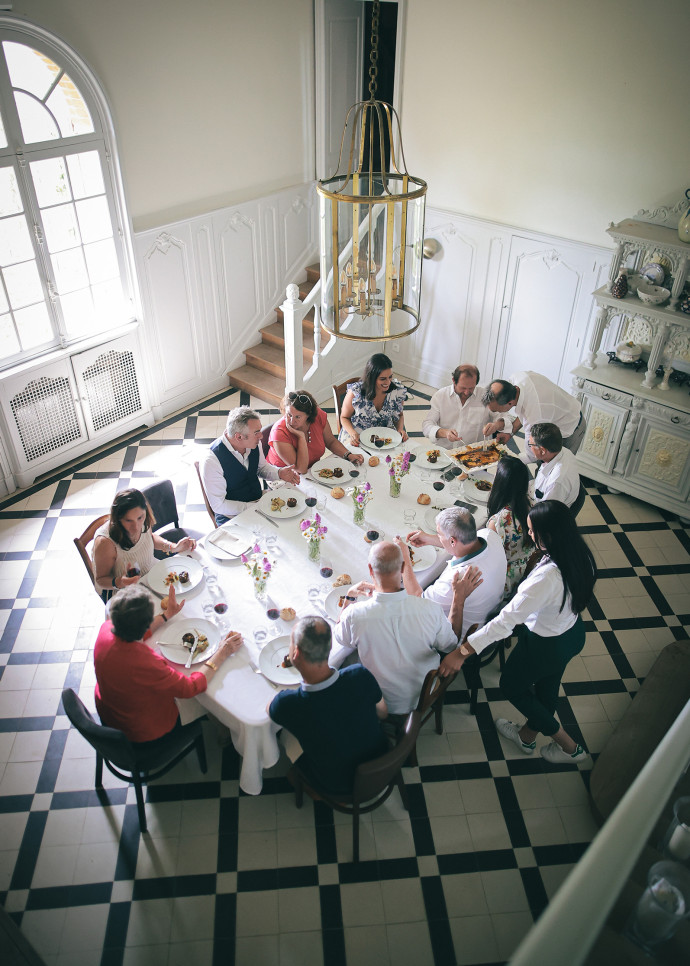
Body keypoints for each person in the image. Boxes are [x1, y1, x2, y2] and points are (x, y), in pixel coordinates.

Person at [440, 500, 597, 766]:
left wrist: (462, 652)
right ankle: (526, 737)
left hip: (545, 644)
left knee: (511, 686)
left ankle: (568, 746)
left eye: (533, 531)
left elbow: (505, 622)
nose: (529, 534)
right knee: (547, 691)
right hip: (572, 633)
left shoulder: (546, 579)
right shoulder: (580, 553)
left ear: (548, 535)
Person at [94, 584, 242, 745]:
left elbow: (135, 632)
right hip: (139, 729)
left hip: (110, 710)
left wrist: (166, 615)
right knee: (209, 693)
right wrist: (223, 651)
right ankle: (225, 731)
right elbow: (191, 687)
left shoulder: (107, 627)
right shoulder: (144, 662)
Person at [331, 542, 459, 714]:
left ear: (370, 570)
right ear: (403, 568)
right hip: (424, 692)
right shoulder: (430, 609)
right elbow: (450, 645)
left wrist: (350, 598)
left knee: (346, 661)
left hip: (379, 702)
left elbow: (340, 638)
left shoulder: (354, 615)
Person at [268, 616, 389, 795]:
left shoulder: (288, 704)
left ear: (296, 653)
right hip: (382, 764)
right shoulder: (360, 674)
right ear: (330, 647)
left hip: (337, 785)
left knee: (284, 735)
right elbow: (383, 713)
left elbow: (269, 710)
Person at [399, 507, 507, 641]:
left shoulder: (458, 577)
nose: (438, 537)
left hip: (460, 639)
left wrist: (405, 558)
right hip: (489, 618)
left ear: (452, 541)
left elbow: (417, 599)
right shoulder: (490, 535)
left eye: (439, 534)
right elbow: (461, 544)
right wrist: (430, 539)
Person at [201, 406, 300, 525]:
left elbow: (261, 468)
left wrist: (279, 473)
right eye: (256, 433)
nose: (261, 436)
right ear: (239, 437)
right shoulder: (211, 461)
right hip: (232, 516)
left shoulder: (254, 442)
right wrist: (253, 507)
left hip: (258, 501)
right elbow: (219, 505)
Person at [92, 488, 197, 595]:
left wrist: (173, 547)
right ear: (117, 519)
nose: (136, 527)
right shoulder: (105, 543)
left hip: (154, 574)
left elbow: (149, 538)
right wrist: (120, 582)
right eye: (128, 520)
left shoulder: (144, 520)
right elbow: (100, 580)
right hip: (126, 591)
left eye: (140, 518)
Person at [481, 371, 586, 460]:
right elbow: (524, 411)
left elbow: (531, 455)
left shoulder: (535, 416)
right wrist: (509, 432)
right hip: (553, 412)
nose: (497, 413)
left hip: (570, 428)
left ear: (510, 403)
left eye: (497, 410)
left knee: (549, 470)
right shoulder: (516, 379)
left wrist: (500, 459)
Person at [266, 389, 364, 474]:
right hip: (283, 475)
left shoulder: (318, 415)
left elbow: (331, 442)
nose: (291, 421)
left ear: (308, 415)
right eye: (289, 415)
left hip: (312, 469)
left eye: (297, 417)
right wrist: (301, 437)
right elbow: (301, 469)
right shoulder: (279, 433)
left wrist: (348, 455)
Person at [485, 455, 534, 600]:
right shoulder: (530, 505)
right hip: (522, 572)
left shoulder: (498, 522)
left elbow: (486, 558)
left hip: (502, 582)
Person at [339, 353, 409, 446]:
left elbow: (399, 415)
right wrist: (353, 433)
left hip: (385, 433)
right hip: (357, 433)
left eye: (390, 377)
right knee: (354, 454)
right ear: (372, 378)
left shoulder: (397, 391)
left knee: (401, 452)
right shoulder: (356, 392)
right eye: (383, 379)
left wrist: (400, 429)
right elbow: (344, 417)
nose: (388, 382)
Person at [422, 363, 495, 448]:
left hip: (474, 451)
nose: (466, 392)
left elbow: (503, 418)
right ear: (454, 381)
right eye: (463, 388)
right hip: (444, 450)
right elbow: (427, 426)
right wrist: (445, 433)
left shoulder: (485, 396)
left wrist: (496, 425)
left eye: (471, 388)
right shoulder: (440, 396)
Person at [528, 423, 581, 508]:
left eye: (530, 445)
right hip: (539, 494)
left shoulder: (556, 483)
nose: (530, 448)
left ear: (542, 451)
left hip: (546, 510)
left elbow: (545, 511)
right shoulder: (564, 451)